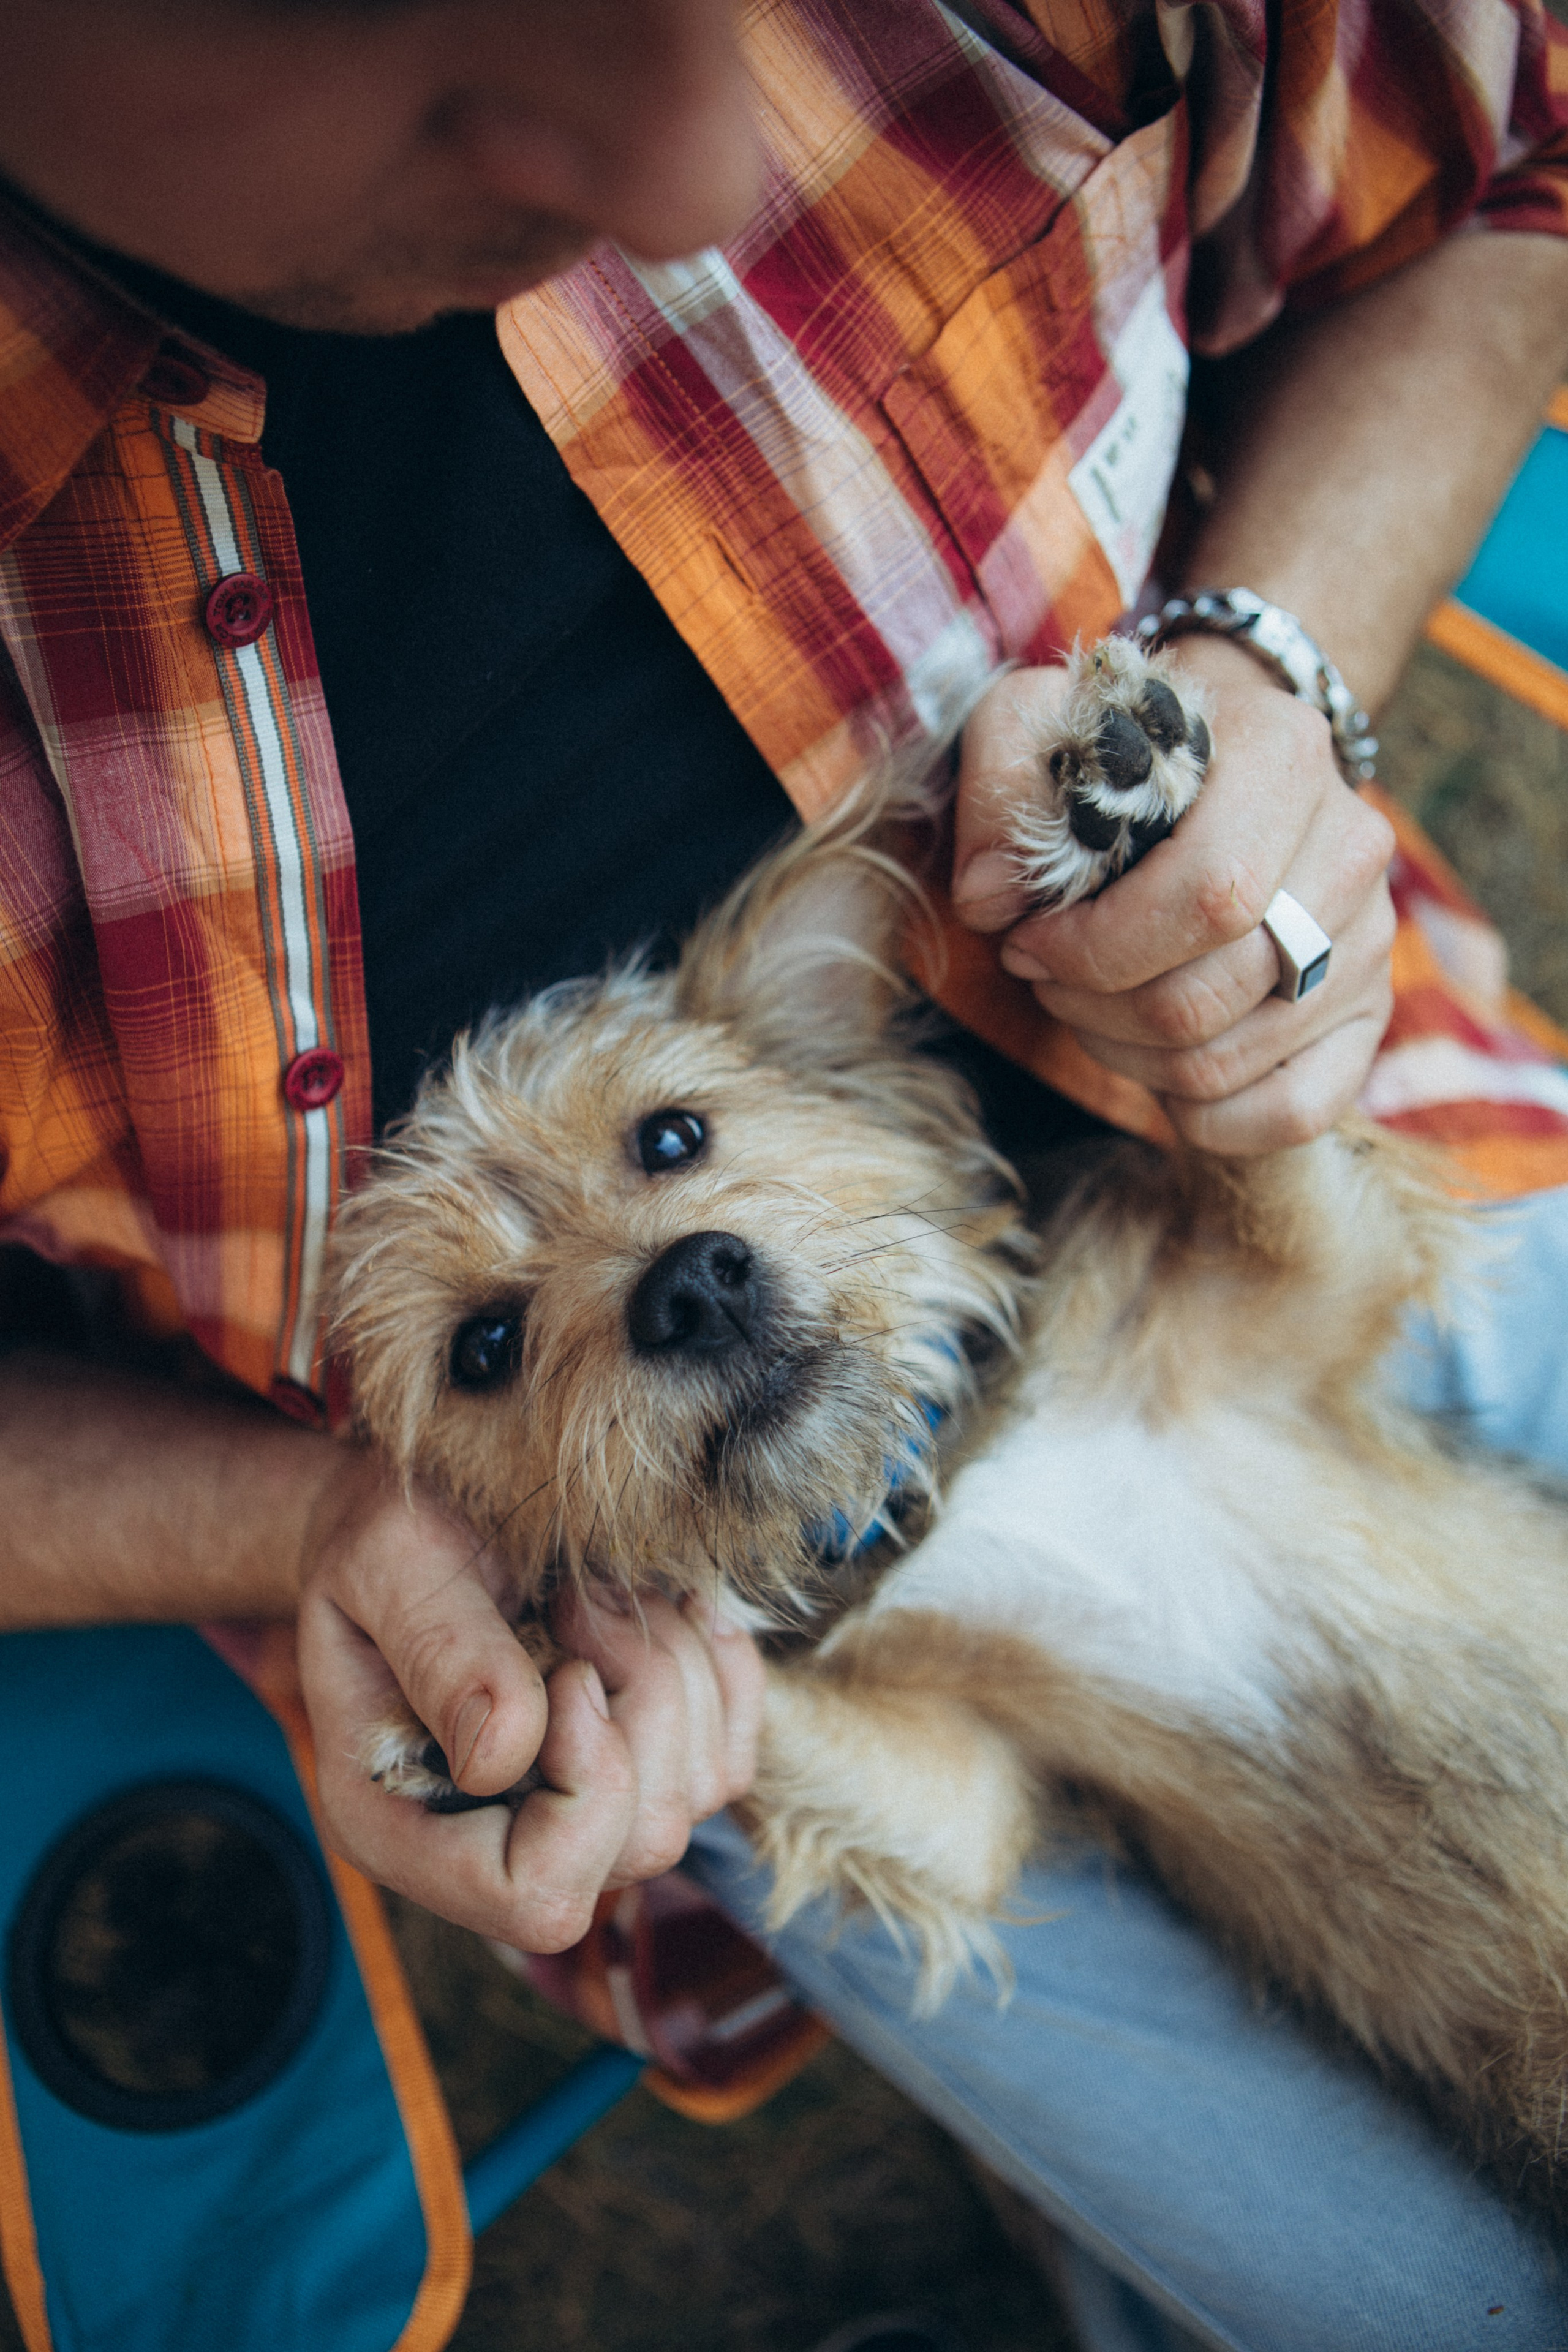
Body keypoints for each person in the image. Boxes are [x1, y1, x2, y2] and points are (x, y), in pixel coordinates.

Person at [0, 1, 1566, 2342]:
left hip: (1316, 1115)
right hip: (725, 1640)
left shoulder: (1022, 1175)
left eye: (671, 1152)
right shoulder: (704, 1635)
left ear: (837, 1050)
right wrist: (338, 1528)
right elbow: (944, 1826)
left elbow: (1532, 143)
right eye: (495, 1340)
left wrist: (1255, 697)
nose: (697, 172)